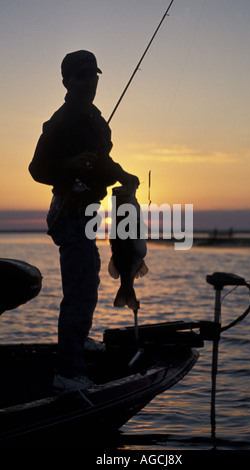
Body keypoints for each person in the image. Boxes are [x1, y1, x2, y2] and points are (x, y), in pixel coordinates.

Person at [29, 50, 139, 393]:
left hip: (87, 213)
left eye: (93, 75)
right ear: (66, 81)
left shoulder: (93, 118)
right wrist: (71, 164)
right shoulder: (61, 121)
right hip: (69, 212)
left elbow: (103, 162)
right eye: (81, 76)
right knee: (78, 294)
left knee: (87, 285)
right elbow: (37, 169)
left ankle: (77, 341)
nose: (89, 81)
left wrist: (123, 175)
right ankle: (68, 372)